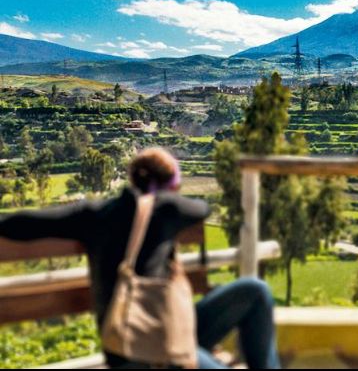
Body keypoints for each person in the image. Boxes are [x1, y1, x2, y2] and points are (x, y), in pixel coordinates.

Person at [0, 148, 280, 369]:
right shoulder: (169, 208)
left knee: (255, 291)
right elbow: (202, 209)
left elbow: (19, 225)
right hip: (151, 351)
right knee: (256, 292)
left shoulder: (93, 214)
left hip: (126, 343)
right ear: (171, 184)